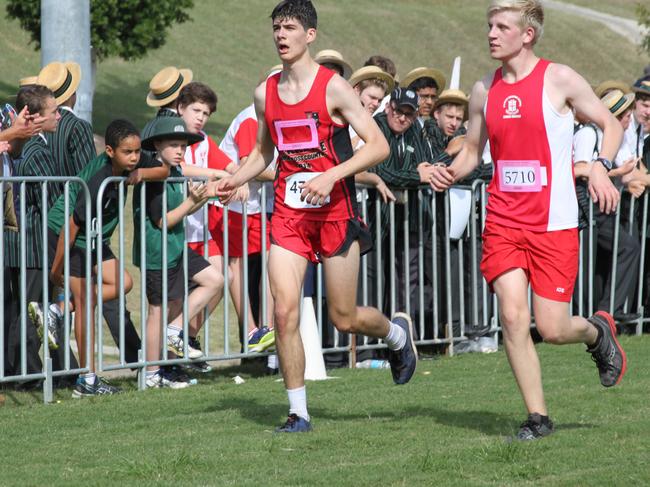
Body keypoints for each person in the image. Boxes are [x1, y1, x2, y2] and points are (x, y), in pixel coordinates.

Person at [216, 0, 417, 433]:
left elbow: (378, 146)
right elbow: (262, 153)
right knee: (285, 314)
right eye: (275, 28)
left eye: (289, 27)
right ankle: (298, 413)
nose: (280, 35)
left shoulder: (333, 89)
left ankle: (397, 337)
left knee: (343, 318)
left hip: (335, 213)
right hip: (289, 215)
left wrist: (331, 175)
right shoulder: (264, 93)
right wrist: (234, 178)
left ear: (310, 35)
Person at [430, 0, 626, 441]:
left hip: (553, 221)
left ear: (527, 34)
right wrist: (447, 172)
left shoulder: (559, 78)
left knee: (553, 328)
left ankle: (596, 332)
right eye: (489, 26)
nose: (492, 34)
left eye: (502, 26)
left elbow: (610, 124)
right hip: (502, 220)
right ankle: (538, 418)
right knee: (514, 319)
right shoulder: (484, 89)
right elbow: (472, 151)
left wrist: (599, 163)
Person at [45, 119, 144, 397]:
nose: (135, 157)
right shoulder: (98, 178)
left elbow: (163, 167)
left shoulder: (131, 160)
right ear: (111, 151)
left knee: (123, 282)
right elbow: (70, 226)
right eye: (129, 153)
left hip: (93, 237)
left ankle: (58, 311)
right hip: (70, 236)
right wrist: (57, 269)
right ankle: (86, 380)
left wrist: (142, 175)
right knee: (87, 306)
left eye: (137, 152)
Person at [134, 117, 223, 389]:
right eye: (173, 145)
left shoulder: (174, 171)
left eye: (183, 146)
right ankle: (151, 373)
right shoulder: (153, 174)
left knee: (215, 280)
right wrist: (192, 202)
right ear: (158, 145)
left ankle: (175, 333)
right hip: (156, 252)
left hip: (175, 247)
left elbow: (182, 212)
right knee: (157, 312)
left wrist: (201, 198)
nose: (179, 151)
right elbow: (163, 220)